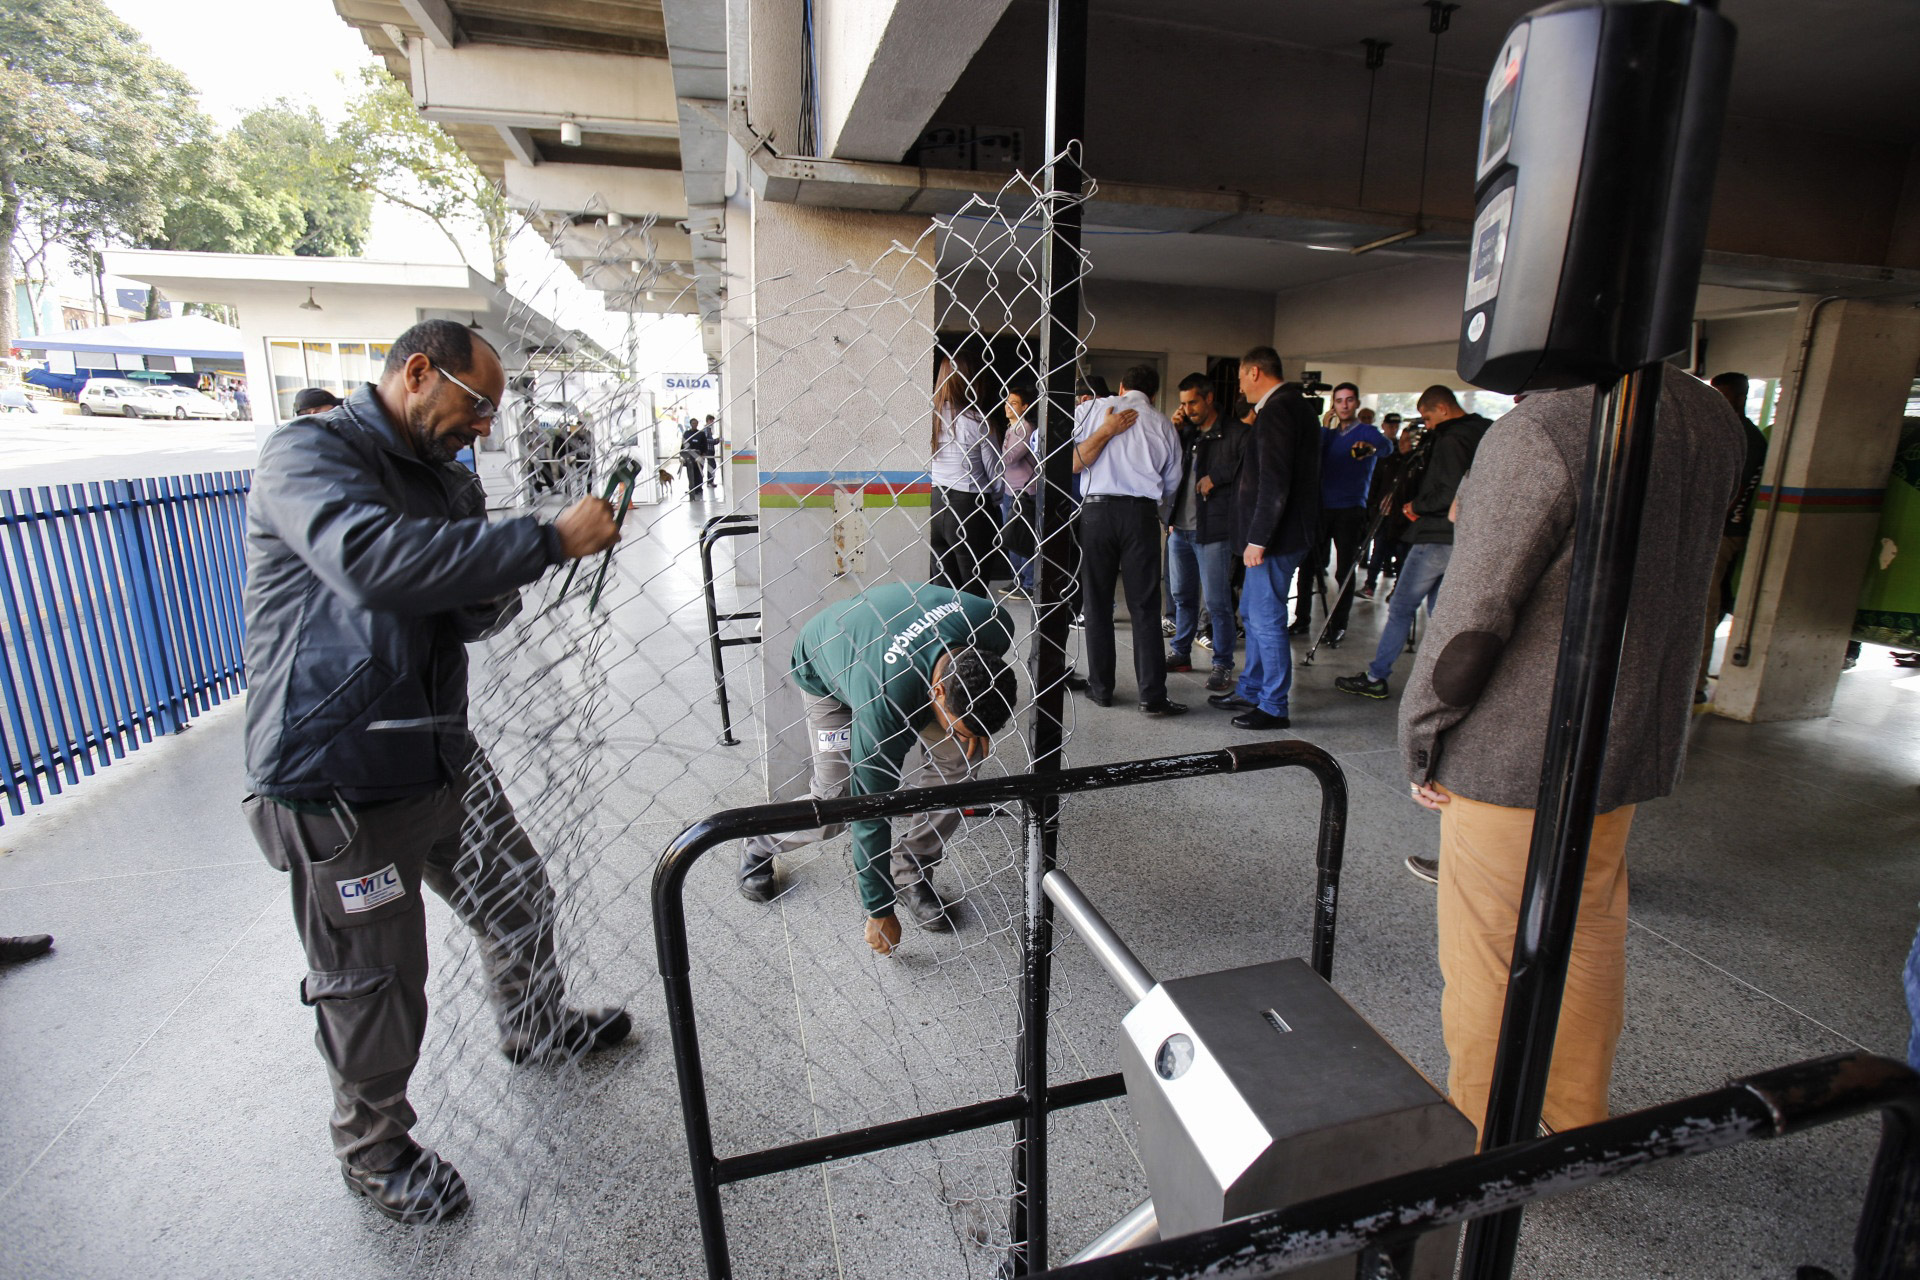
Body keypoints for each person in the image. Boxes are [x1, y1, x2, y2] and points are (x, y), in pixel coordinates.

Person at [241, 319, 630, 1225]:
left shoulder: (449, 477)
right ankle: (375, 1152)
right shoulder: (307, 456)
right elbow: (370, 565)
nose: (485, 428)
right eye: (478, 405)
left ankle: (535, 1023)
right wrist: (543, 540)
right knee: (375, 980)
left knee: (516, 891)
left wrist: (496, 582)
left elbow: (466, 614)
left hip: (436, 746)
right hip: (336, 771)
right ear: (418, 373)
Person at [1398, 372, 1742, 1138]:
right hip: (1624, 736)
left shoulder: (1543, 430)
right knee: (1588, 932)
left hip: (1513, 747)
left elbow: (1473, 616)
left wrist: (1423, 733)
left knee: (1489, 956)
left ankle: (1484, 1138)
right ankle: (1574, 1120)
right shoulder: (1708, 417)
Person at [737, 583, 1018, 952]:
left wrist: (972, 731)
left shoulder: (995, 624)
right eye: (960, 726)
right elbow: (869, 811)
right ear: (938, 693)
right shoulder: (885, 705)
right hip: (828, 666)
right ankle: (759, 841)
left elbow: (972, 696)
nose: (964, 734)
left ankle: (910, 867)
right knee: (838, 800)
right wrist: (878, 908)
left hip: (885, 651)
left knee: (962, 761)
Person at [1336, 387, 1492, 702]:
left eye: (1428, 417)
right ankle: (1443, 683)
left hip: (1435, 535)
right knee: (1439, 612)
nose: (1427, 425)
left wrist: (1416, 506)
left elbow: (1448, 490)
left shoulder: (1451, 440)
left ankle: (1376, 676)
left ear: (1443, 408)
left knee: (1401, 607)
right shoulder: (1483, 431)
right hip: (1463, 536)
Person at [1210, 347, 1318, 730]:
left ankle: (1273, 705)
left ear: (1254, 372)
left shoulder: (1279, 409)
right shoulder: (1290, 406)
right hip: (1280, 536)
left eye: (1241, 377)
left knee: (1266, 618)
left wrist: (1258, 539)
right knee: (1253, 613)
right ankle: (1252, 688)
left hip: (1276, 539)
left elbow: (1275, 481)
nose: (1240, 386)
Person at [1072, 364, 1186, 715]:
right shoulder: (1163, 424)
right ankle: (1151, 696)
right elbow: (1172, 481)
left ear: (1121, 387)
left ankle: (1101, 688)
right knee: (1145, 607)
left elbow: (1072, 461)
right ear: (1154, 393)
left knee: (1096, 602)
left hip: (1096, 513)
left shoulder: (1091, 409)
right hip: (1141, 515)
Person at [1164, 372, 1249, 693]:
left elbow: (1251, 469)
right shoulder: (1187, 432)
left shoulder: (1237, 433)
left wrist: (1218, 476)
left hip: (1214, 530)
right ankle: (1181, 652)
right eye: (1184, 404)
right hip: (1180, 529)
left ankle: (1222, 663)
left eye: (1193, 402)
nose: (1188, 409)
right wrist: (1174, 431)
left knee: (1217, 602)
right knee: (1182, 597)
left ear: (1209, 398)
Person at [1697, 372, 1771, 700]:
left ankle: (1693, 685)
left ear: (1741, 398)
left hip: (1723, 534)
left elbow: (1733, 493)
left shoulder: (1745, 438)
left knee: (1702, 609)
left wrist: (1699, 528)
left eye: (1724, 396)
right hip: (1717, 532)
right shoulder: (1728, 431)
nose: (1718, 403)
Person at [1299, 382, 1388, 647]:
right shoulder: (1329, 434)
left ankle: (1338, 625)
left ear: (1357, 403)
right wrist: (1324, 427)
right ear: (1334, 405)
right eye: (1339, 400)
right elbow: (1314, 455)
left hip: (1350, 509)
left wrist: (1371, 448)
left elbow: (1387, 448)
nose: (1344, 405)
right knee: (1308, 566)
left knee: (1344, 571)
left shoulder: (1367, 431)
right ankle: (1301, 619)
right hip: (1322, 508)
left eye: (1349, 400)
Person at [928, 351, 1000, 597]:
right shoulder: (978, 421)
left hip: (935, 503)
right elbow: (996, 475)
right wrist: (996, 500)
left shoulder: (931, 419)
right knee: (974, 591)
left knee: (943, 590)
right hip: (970, 506)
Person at [998, 386, 1042, 597]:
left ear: (1025, 407)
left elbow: (1009, 458)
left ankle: (1029, 583)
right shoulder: (1011, 428)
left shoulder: (1025, 428)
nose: (1008, 406)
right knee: (1011, 538)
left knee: (1023, 539)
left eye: (1014, 403)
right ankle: (1017, 580)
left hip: (1025, 492)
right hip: (1009, 491)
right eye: (1007, 402)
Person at [680, 416, 713, 497]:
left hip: (699, 457)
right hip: (689, 457)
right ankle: (692, 489)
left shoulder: (701, 434)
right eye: (693, 423)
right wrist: (682, 456)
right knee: (690, 474)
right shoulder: (686, 434)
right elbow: (683, 445)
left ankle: (699, 489)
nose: (694, 424)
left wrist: (703, 455)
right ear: (690, 424)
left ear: (697, 424)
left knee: (699, 474)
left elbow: (705, 445)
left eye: (696, 423)